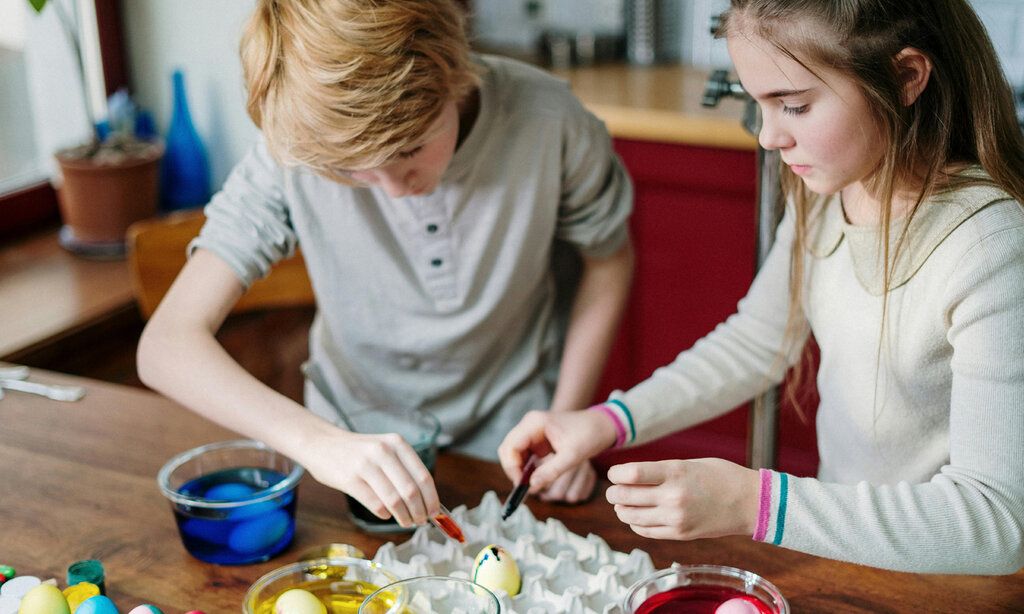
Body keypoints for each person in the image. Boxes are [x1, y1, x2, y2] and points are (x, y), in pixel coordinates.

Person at [499, 0, 1024, 574]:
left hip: (961, 583)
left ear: (905, 77)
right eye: (759, 105)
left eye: (794, 105)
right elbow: (759, 341)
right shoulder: (837, 189)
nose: (770, 137)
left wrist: (752, 503)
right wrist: (605, 422)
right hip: (850, 561)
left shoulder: (992, 245)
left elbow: (994, 522)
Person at [137, 0, 634, 530]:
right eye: (353, 173)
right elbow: (166, 345)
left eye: (412, 148)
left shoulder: (551, 122)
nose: (395, 190)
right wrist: (320, 444)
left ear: (455, 73)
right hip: (348, 455)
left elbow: (608, 261)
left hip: (507, 448)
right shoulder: (296, 149)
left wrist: (565, 419)